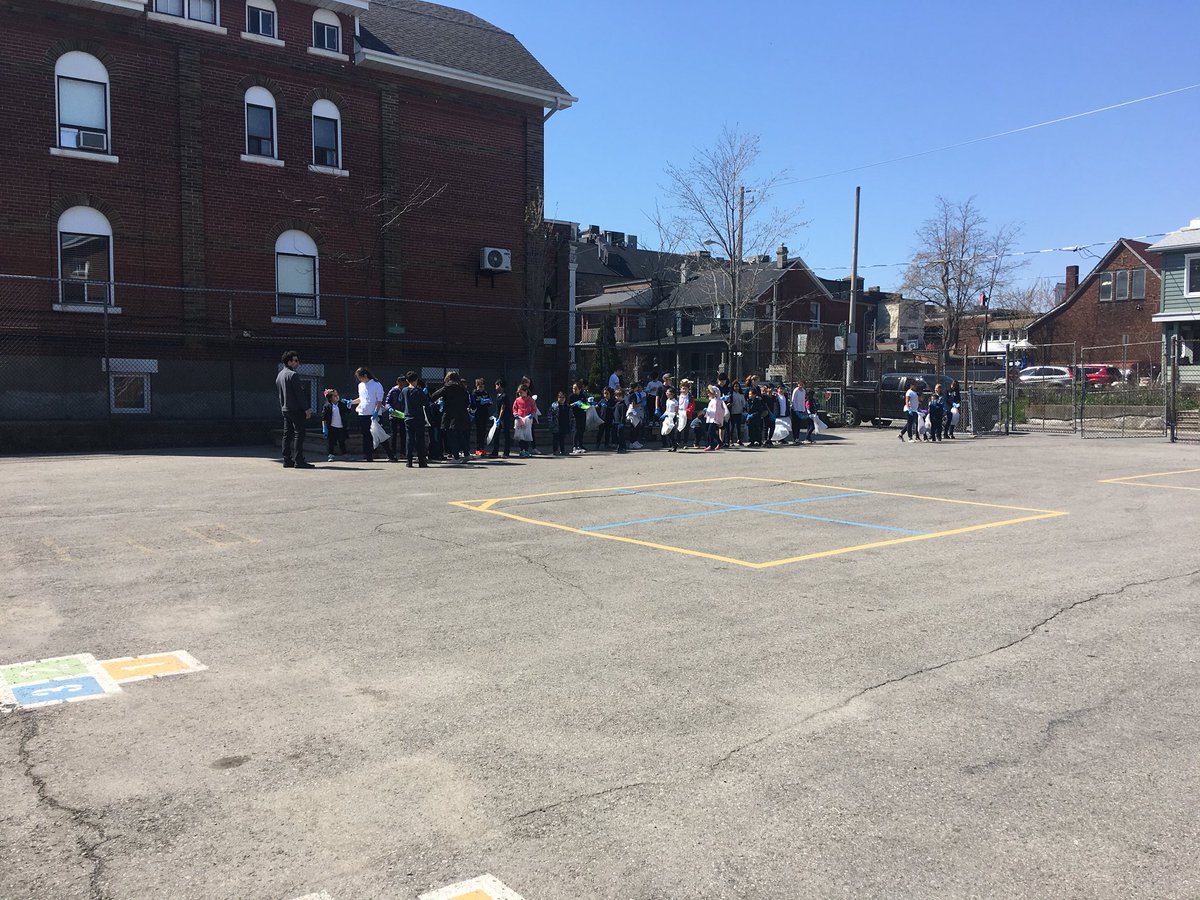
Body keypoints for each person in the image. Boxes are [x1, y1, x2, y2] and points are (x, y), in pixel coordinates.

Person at [276, 350, 313, 468]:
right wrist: (306, 409)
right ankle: (299, 460)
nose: (298, 363)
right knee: (299, 433)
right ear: (289, 361)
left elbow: (280, 394)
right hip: (296, 409)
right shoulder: (293, 375)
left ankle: (287, 459)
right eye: (296, 360)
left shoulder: (280, 375)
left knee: (287, 434)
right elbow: (299, 394)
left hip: (285, 408)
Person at [350, 367, 392, 462]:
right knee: (366, 435)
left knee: (380, 434)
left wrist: (376, 412)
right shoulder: (361, 385)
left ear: (365, 375)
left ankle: (390, 454)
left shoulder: (376, 384)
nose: (359, 380)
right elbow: (361, 399)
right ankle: (368, 455)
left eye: (360, 377)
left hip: (374, 414)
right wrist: (351, 402)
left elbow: (379, 400)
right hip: (363, 413)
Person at [432, 371, 471, 462]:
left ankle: (456, 457)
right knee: (459, 434)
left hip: (449, 414)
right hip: (461, 414)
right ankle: (466, 454)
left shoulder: (447, 387)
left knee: (451, 435)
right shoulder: (462, 388)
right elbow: (467, 402)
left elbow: (434, 396)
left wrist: (441, 401)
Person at [399, 371, 429, 468]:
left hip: (408, 417)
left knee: (409, 438)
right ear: (417, 380)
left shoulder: (404, 390)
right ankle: (421, 460)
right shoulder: (419, 391)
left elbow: (401, 400)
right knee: (420, 439)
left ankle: (409, 460)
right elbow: (425, 403)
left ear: (407, 381)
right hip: (419, 417)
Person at [321, 388, 348, 461]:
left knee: (342, 441)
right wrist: (324, 428)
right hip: (332, 427)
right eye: (334, 396)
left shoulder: (341, 404)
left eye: (337, 395)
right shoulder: (327, 406)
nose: (337, 397)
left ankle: (345, 454)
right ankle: (331, 455)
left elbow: (347, 411)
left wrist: (348, 405)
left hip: (341, 426)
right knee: (331, 441)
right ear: (330, 398)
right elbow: (323, 418)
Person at [512, 384, 538, 458]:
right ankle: (521, 450)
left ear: (526, 391)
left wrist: (531, 415)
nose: (520, 394)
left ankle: (526, 450)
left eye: (521, 392)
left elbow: (534, 409)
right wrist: (515, 414)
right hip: (519, 420)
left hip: (527, 420)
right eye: (519, 393)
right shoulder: (517, 400)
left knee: (526, 436)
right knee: (520, 436)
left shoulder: (531, 400)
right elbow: (514, 408)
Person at [490, 379, 513, 459]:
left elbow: (503, 408)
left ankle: (506, 452)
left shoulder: (504, 395)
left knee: (506, 434)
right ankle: (495, 451)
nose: (495, 387)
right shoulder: (498, 395)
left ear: (499, 385)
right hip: (498, 417)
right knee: (496, 434)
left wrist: (499, 418)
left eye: (496, 385)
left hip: (505, 418)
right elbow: (498, 408)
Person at [385, 377, 407, 460]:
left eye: (403, 382)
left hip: (404, 415)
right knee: (393, 435)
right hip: (394, 415)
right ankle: (392, 453)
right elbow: (387, 402)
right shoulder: (393, 391)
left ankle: (403, 453)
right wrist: (389, 408)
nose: (401, 384)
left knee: (403, 434)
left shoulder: (406, 390)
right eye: (399, 382)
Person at [470, 378, 492, 457]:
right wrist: (480, 402)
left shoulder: (485, 393)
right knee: (479, 431)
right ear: (477, 386)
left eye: (482, 386)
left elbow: (489, 402)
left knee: (483, 432)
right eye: (480, 386)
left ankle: (482, 448)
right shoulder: (474, 393)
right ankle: (478, 449)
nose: (481, 388)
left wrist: (487, 401)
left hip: (484, 414)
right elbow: (473, 403)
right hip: (478, 414)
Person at [703, 385, 726, 451]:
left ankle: (711, 445)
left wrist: (707, 410)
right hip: (710, 418)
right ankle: (719, 442)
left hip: (714, 419)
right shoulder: (712, 400)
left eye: (709, 393)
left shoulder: (717, 401)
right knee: (711, 432)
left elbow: (716, 411)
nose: (708, 394)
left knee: (711, 432)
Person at [550, 391, 572, 456]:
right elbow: (550, 415)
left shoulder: (567, 406)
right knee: (555, 439)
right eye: (560, 397)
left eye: (563, 397)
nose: (561, 399)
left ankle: (562, 450)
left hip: (564, 424)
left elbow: (571, 416)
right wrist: (551, 424)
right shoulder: (554, 405)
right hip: (556, 424)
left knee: (562, 438)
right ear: (557, 398)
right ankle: (555, 450)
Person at [726, 379, 746, 446]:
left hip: (739, 412)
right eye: (735, 386)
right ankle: (731, 440)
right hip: (732, 412)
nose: (736, 388)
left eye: (737, 386)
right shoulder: (731, 394)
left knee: (738, 427)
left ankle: (739, 439)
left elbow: (744, 403)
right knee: (732, 426)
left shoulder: (741, 395)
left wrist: (743, 409)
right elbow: (728, 401)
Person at [662, 386, 680, 452]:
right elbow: (667, 409)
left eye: (668, 393)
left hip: (672, 417)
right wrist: (664, 415)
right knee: (667, 431)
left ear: (672, 394)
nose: (666, 394)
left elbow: (676, 411)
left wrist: (673, 416)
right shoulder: (667, 401)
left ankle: (674, 445)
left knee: (671, 432)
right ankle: (673, 444)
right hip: (668, 417)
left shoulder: (675, 402)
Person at [612, 388, 630, 453]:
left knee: (621, 436)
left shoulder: (622, 405)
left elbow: (623, 415)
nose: (616, 397)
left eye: (618, 396)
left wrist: (622, 422)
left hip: (620, 422)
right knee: (617, 435)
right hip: (616, 421)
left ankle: (623, 447)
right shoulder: (617, 403)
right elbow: (613, 410)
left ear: (621, 396)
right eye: (616, 396)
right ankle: (619, 446)